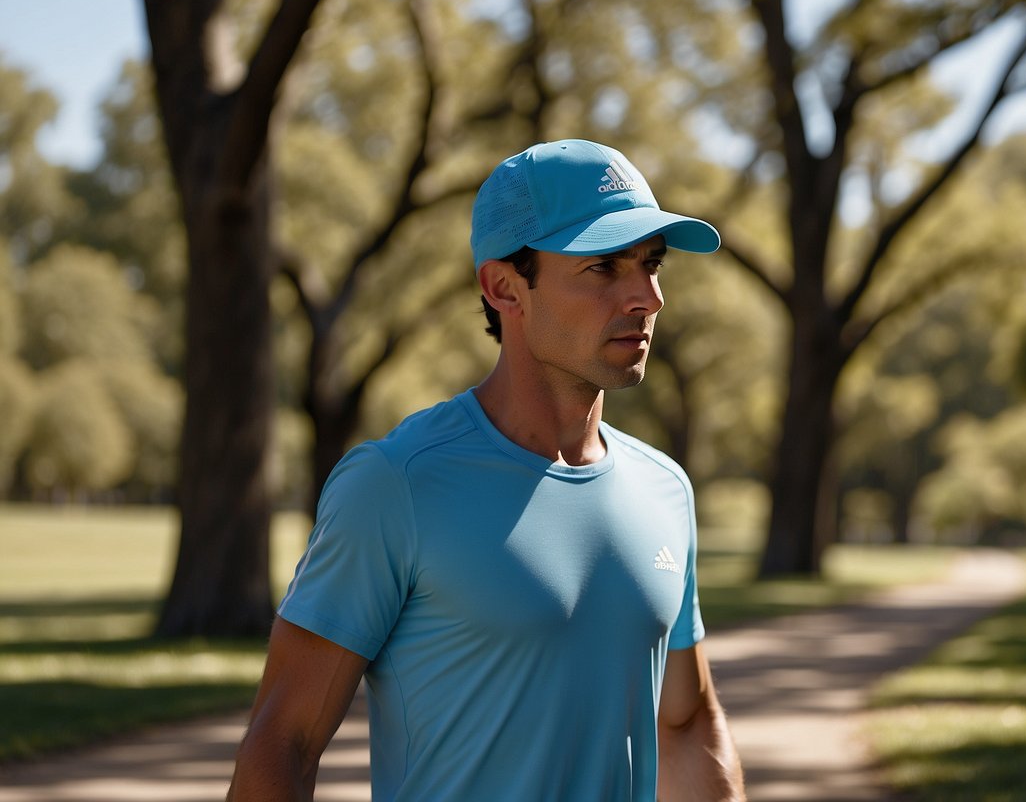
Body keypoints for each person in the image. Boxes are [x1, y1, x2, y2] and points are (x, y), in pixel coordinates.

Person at [227, 139, 746, 801]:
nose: (647, 297)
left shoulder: (663, 489)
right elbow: (282, 745)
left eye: (650, 264)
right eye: (604, 267)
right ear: (504, 287)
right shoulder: (396, 485)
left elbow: (684, 720)